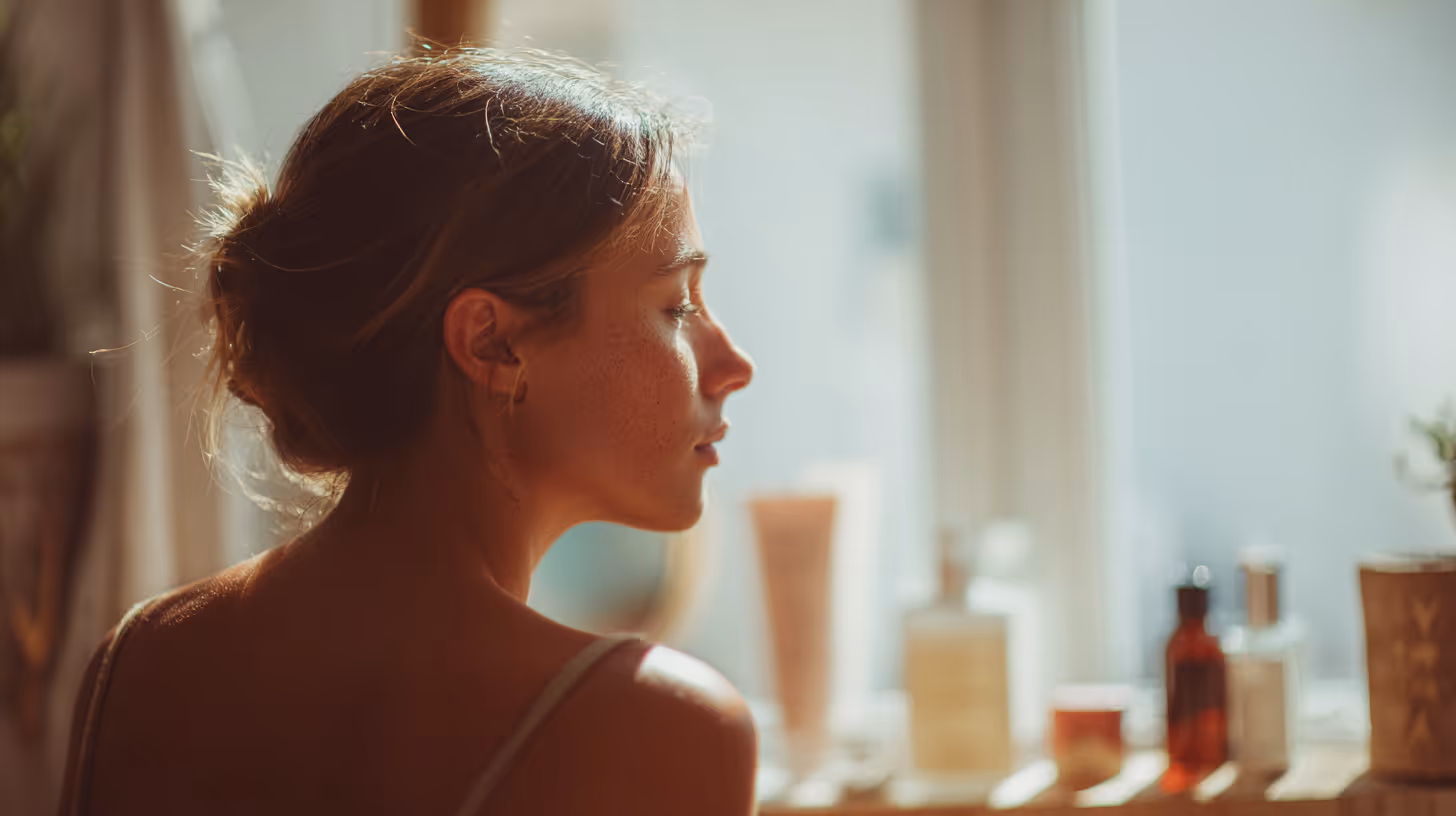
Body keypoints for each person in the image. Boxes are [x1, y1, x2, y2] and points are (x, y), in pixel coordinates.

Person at [57, 46, 757, 816]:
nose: (733, 363)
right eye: (678, 305)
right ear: (492, 342)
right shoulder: (658, 726)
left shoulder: (141, 661)